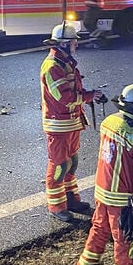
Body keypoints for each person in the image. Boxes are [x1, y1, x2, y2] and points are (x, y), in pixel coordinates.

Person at [77, 81, 133, 265]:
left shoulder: (109, 122)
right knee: (124, 239)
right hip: (121, 198)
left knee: (99, 229)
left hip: (101, 190)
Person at [40, 23, 105, 222]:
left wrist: (91, 96)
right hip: (58, 125)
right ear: (65, 44)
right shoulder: (52, 66)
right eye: (74, 41)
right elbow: (64, 97)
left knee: (72, 163)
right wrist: (89, 96)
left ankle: (71, 200)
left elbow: (74, 92)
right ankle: (56, 206)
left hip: (71, 123)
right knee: (60, 165)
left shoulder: (65, 63)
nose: (77, 44)